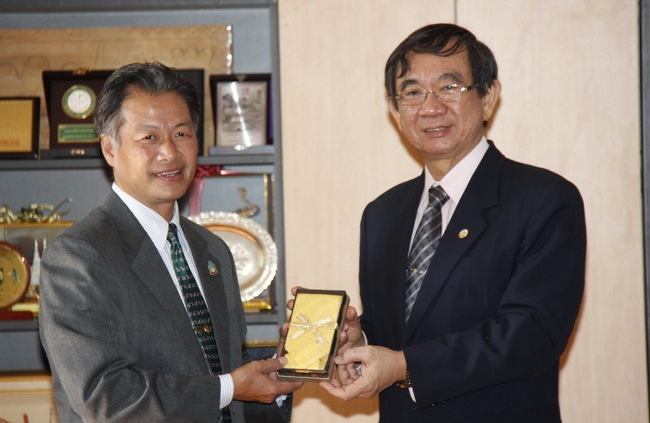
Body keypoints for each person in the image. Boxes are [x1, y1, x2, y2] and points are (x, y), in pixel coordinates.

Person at [319, 23, 586, 422]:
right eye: (412, 92)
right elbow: (404, 330)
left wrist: (405, 366)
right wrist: (360, 342)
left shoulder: (544, 199)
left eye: (449, 87)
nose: (430, 107)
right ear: (394, 109)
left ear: (488, 97)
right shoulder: (382, 213)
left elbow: (531, 334)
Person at [39, 61, 302, 423]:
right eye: (149, 138)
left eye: (181, 133)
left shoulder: (212, 249)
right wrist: (229, 387)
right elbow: (107, 397)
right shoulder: (77, 257)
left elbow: (226, 373)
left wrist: (277, 376)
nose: (170, 153)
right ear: (110, 149)